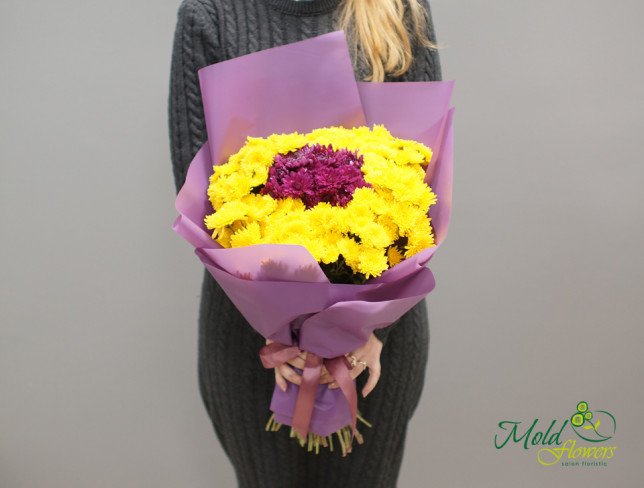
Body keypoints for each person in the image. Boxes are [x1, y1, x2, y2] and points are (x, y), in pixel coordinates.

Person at [168, 0, 442, 485]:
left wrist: (364, 331)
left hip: (375, 347)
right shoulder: (209, 13)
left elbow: (423, 183)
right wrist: (279, 330)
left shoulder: (400, 8)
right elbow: (200, 188)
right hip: (250, 341)